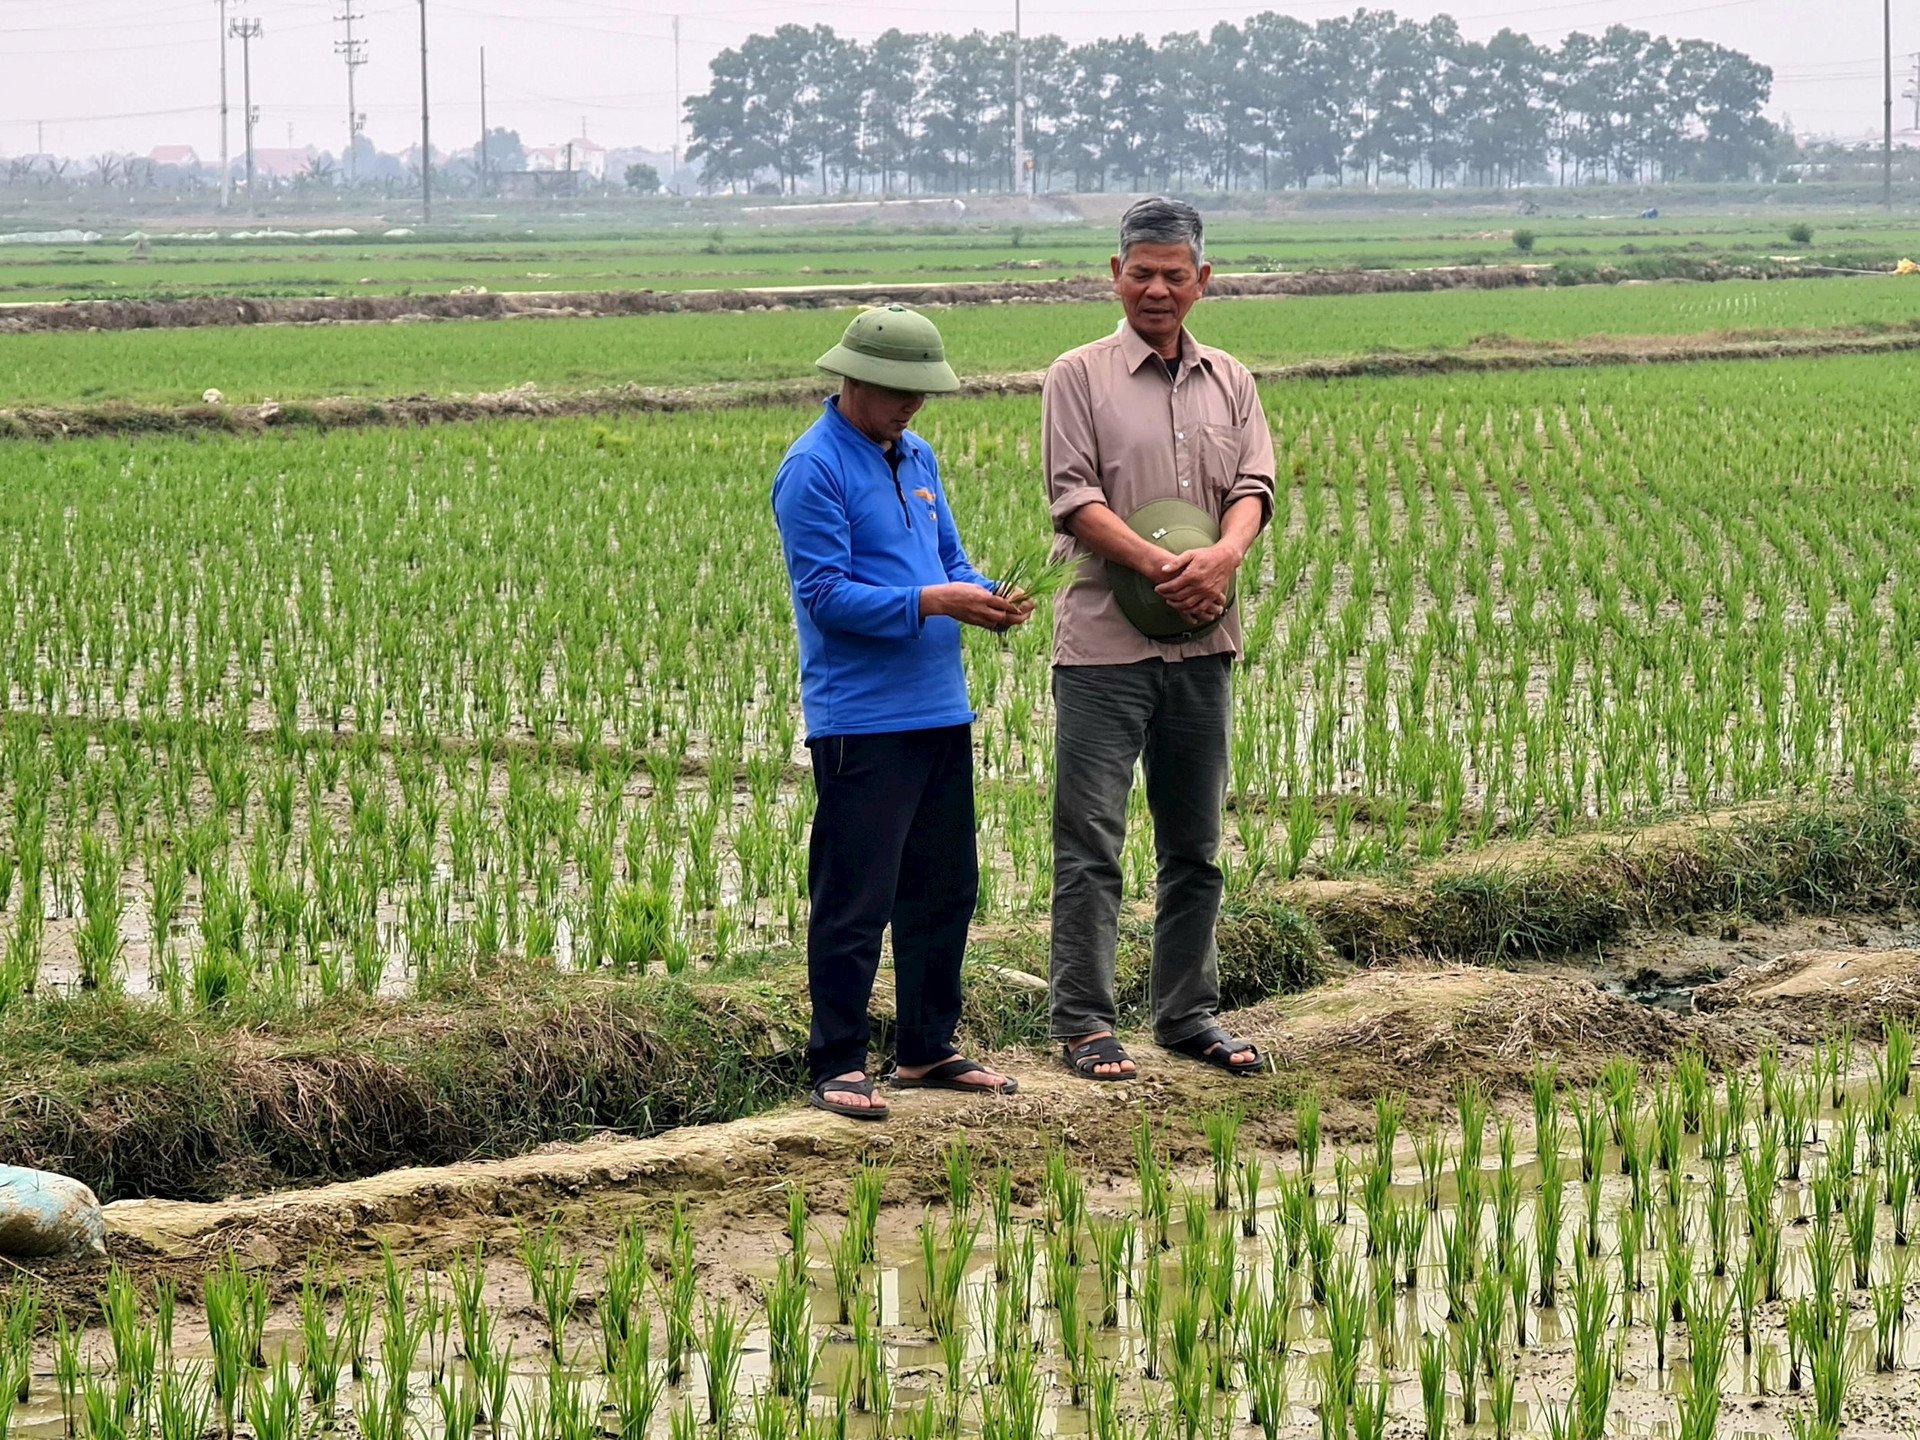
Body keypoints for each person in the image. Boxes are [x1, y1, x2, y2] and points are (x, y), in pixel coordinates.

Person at [773, 305, 1031, 1121]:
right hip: (862, 720)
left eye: (921, 391)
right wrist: (931, 601)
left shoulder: (917, 455)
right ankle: (838, 1061)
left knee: (944, 887)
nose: (910, 406)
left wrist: (984, 595)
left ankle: (926, 1046)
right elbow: (824, 596)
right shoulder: (812, 468)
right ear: (851, 378)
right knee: (857, 897)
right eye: (896, 391)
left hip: (938, 708)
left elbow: (950, 559)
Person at [1042, 197, 1277, 1082]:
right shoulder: (1078, 375)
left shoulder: (1232, 380)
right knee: (1091, 841)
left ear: (1202, 281)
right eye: (1141, 272)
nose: (1157, 289)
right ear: (1115, 274)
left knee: (1195, 845)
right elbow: (1073, 498)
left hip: (1204, 646)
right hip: (1106, 648)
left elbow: (1253, 483)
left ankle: (1188, 1014)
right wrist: (1164, 565)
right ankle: (1085, 1025)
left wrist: (1223, 555)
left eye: (1175, 275)